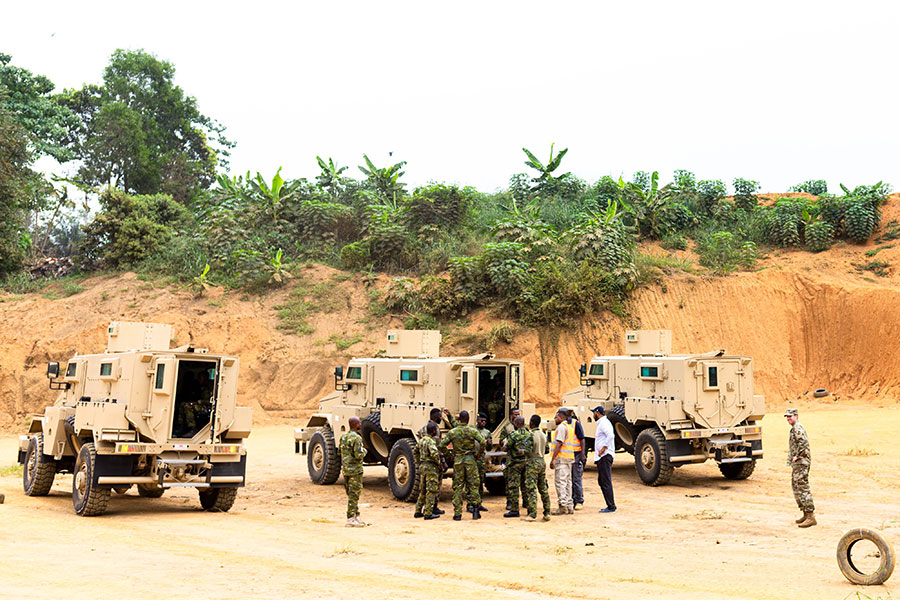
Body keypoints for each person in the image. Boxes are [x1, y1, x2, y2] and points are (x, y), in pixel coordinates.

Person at [440, 410, 486, 520]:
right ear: (468, 419)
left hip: (458, 460)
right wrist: (478, 454)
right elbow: (483, 442)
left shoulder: (453, 432)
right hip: (470, 460)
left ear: (459, 419)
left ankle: (457, 514)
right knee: (473, 486)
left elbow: (442, 445)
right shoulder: (472, 431)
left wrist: (449, 455)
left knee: (458, 487)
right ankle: (475, 511)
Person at [785, 408, 815, 527]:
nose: (788, 419)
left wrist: (797, 456)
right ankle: (805, 514)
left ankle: (810, 515)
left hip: (801, 462)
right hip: (798, 463)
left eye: (790, 416)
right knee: (796, 486)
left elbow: (804, 443)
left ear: (796, 416)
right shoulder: (794, 428)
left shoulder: (797, 428)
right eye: (787, 417)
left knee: (802, 487)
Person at [549, 408, 578, 514]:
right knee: (567, 482)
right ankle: (569, 506)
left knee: (560, 482)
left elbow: (559, 443)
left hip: (561, 458)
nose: (554, 419)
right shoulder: (569, 427)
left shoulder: (561, 427)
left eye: (556, 417)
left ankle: (562, 506)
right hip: (569, 457)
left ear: (561, 417)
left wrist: (553, 459)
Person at [523, 414, 551, 521]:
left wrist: (522, 451)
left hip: (532, 462)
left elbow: (527, 450)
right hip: (541, 461)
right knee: (543, 487)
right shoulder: (543, 435)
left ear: (531, 423)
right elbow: (547, 450)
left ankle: (532, 514)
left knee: (531, 488)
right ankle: (547, 512)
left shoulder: (530, 435)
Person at [503, 415, 533, 518]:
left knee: (514, 487)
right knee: (527, 485)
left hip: (515, 464)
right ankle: (528, 506)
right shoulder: (530, 434)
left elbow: (505, 449)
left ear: (516, 424)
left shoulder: (513, 435)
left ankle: (514, 509)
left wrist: (505, 443)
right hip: (527, 463)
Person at [340, 416, 367, 527]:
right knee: (354, 494)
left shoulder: (343, 437)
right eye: (359, 423)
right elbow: (358, 454)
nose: (360, 424)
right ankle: (350, 518)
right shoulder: (357, 438)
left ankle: (356, 515)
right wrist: (364, 451)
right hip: (355, 470)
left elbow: (340, 451)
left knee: (351, 494)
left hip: (346, 470)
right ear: (356, 425)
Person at [414, 421, 442, 520]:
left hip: (423, 466)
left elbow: (415, 451)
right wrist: (438, 463)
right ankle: (428, 513)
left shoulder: (421, 440)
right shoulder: (431, 441)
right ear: (434, 431)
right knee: (431, 490)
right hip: (431, 467)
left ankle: (418, 511)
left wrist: (419, 461)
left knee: (422, 490)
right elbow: (434, 453)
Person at [592, 406, 616, 513]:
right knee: (602, 481)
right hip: (602, 457)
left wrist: (603, 449)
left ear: (597, 413)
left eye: (593, 413)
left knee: (605, 481)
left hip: (605, 456)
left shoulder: (604, 423)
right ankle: (609, 505)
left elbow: (610, 435)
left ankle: (611, 506)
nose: (593, 415)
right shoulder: (602, 423)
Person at [470, 412, 492, 513]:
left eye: (485, 421)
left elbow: (489, 448)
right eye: (481, 421)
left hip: (481, 460)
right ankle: (470, 504)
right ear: (477, 420)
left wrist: (489, 444)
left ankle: (479, 503)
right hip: (472, 459)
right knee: (471, 482)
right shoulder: (472, 430)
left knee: (480, 482)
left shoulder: (487, 432)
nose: (483, 423)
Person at [568, 411, 586, 510]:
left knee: (576, 478)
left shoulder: (576, 424)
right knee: (569, 479)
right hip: (567, 455)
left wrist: (583, 454)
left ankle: (579, 500)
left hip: (576, 455)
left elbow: (582, 439)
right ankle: (572, 499)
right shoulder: (564, 425)